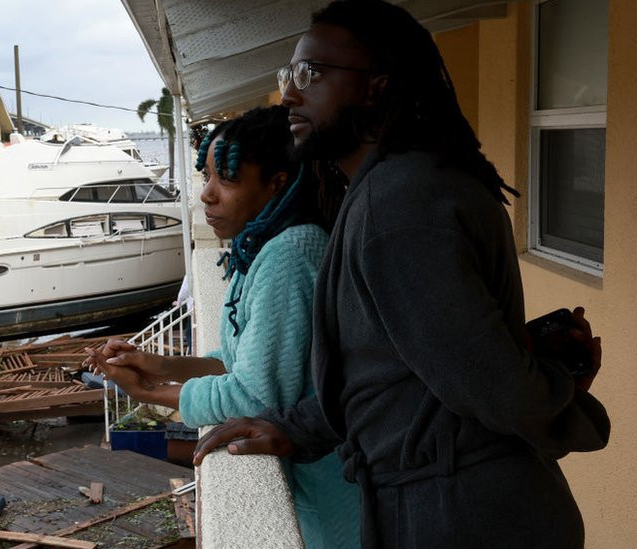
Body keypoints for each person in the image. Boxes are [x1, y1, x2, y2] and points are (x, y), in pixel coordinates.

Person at [193, 1, 610, 548]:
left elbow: (498, 390)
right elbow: (393, 373)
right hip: (443, 505)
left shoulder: (402, 206)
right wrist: (298, 428)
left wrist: (559, 386)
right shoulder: (392, 189)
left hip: (466, 519)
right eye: (287, 74)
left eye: (311, 73)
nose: (290, 93)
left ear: (377, 89)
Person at [85, 105, 360, 549]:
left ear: (277, 184)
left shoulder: (289, 255)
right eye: (207, 177)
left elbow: (254, 394)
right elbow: (233, 363)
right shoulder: (262, 248)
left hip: (331, 491)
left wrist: (147, 392)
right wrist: (155, 364)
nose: (206, 196)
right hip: (313, 477)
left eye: (226, 179)